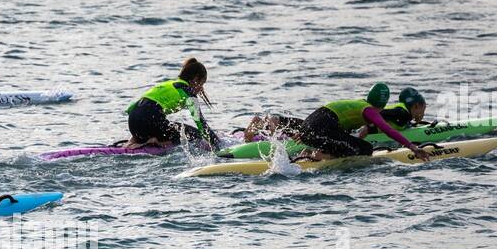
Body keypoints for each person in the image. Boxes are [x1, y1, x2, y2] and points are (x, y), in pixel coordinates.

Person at [242, 84, 431, 160]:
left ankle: (271, 122)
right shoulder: (371, 111)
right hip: (323, 126)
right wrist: (413, 148)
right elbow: (389, 132)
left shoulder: (359, 104)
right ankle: (316, 155)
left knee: (328, 135)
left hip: (317, 119)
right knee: (365, 149)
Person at [124, 58, 218, 149]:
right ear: (196, 79)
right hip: (150, 124)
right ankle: (157, 141)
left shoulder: (167, 84)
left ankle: (135, 140)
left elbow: (130, 109)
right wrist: (217, 144)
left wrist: (138, 126)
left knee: (167, 125)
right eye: (202, 84)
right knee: (194, 134)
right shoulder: (188, 92)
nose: (201, 88)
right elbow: (201, 125)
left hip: (133, 124)